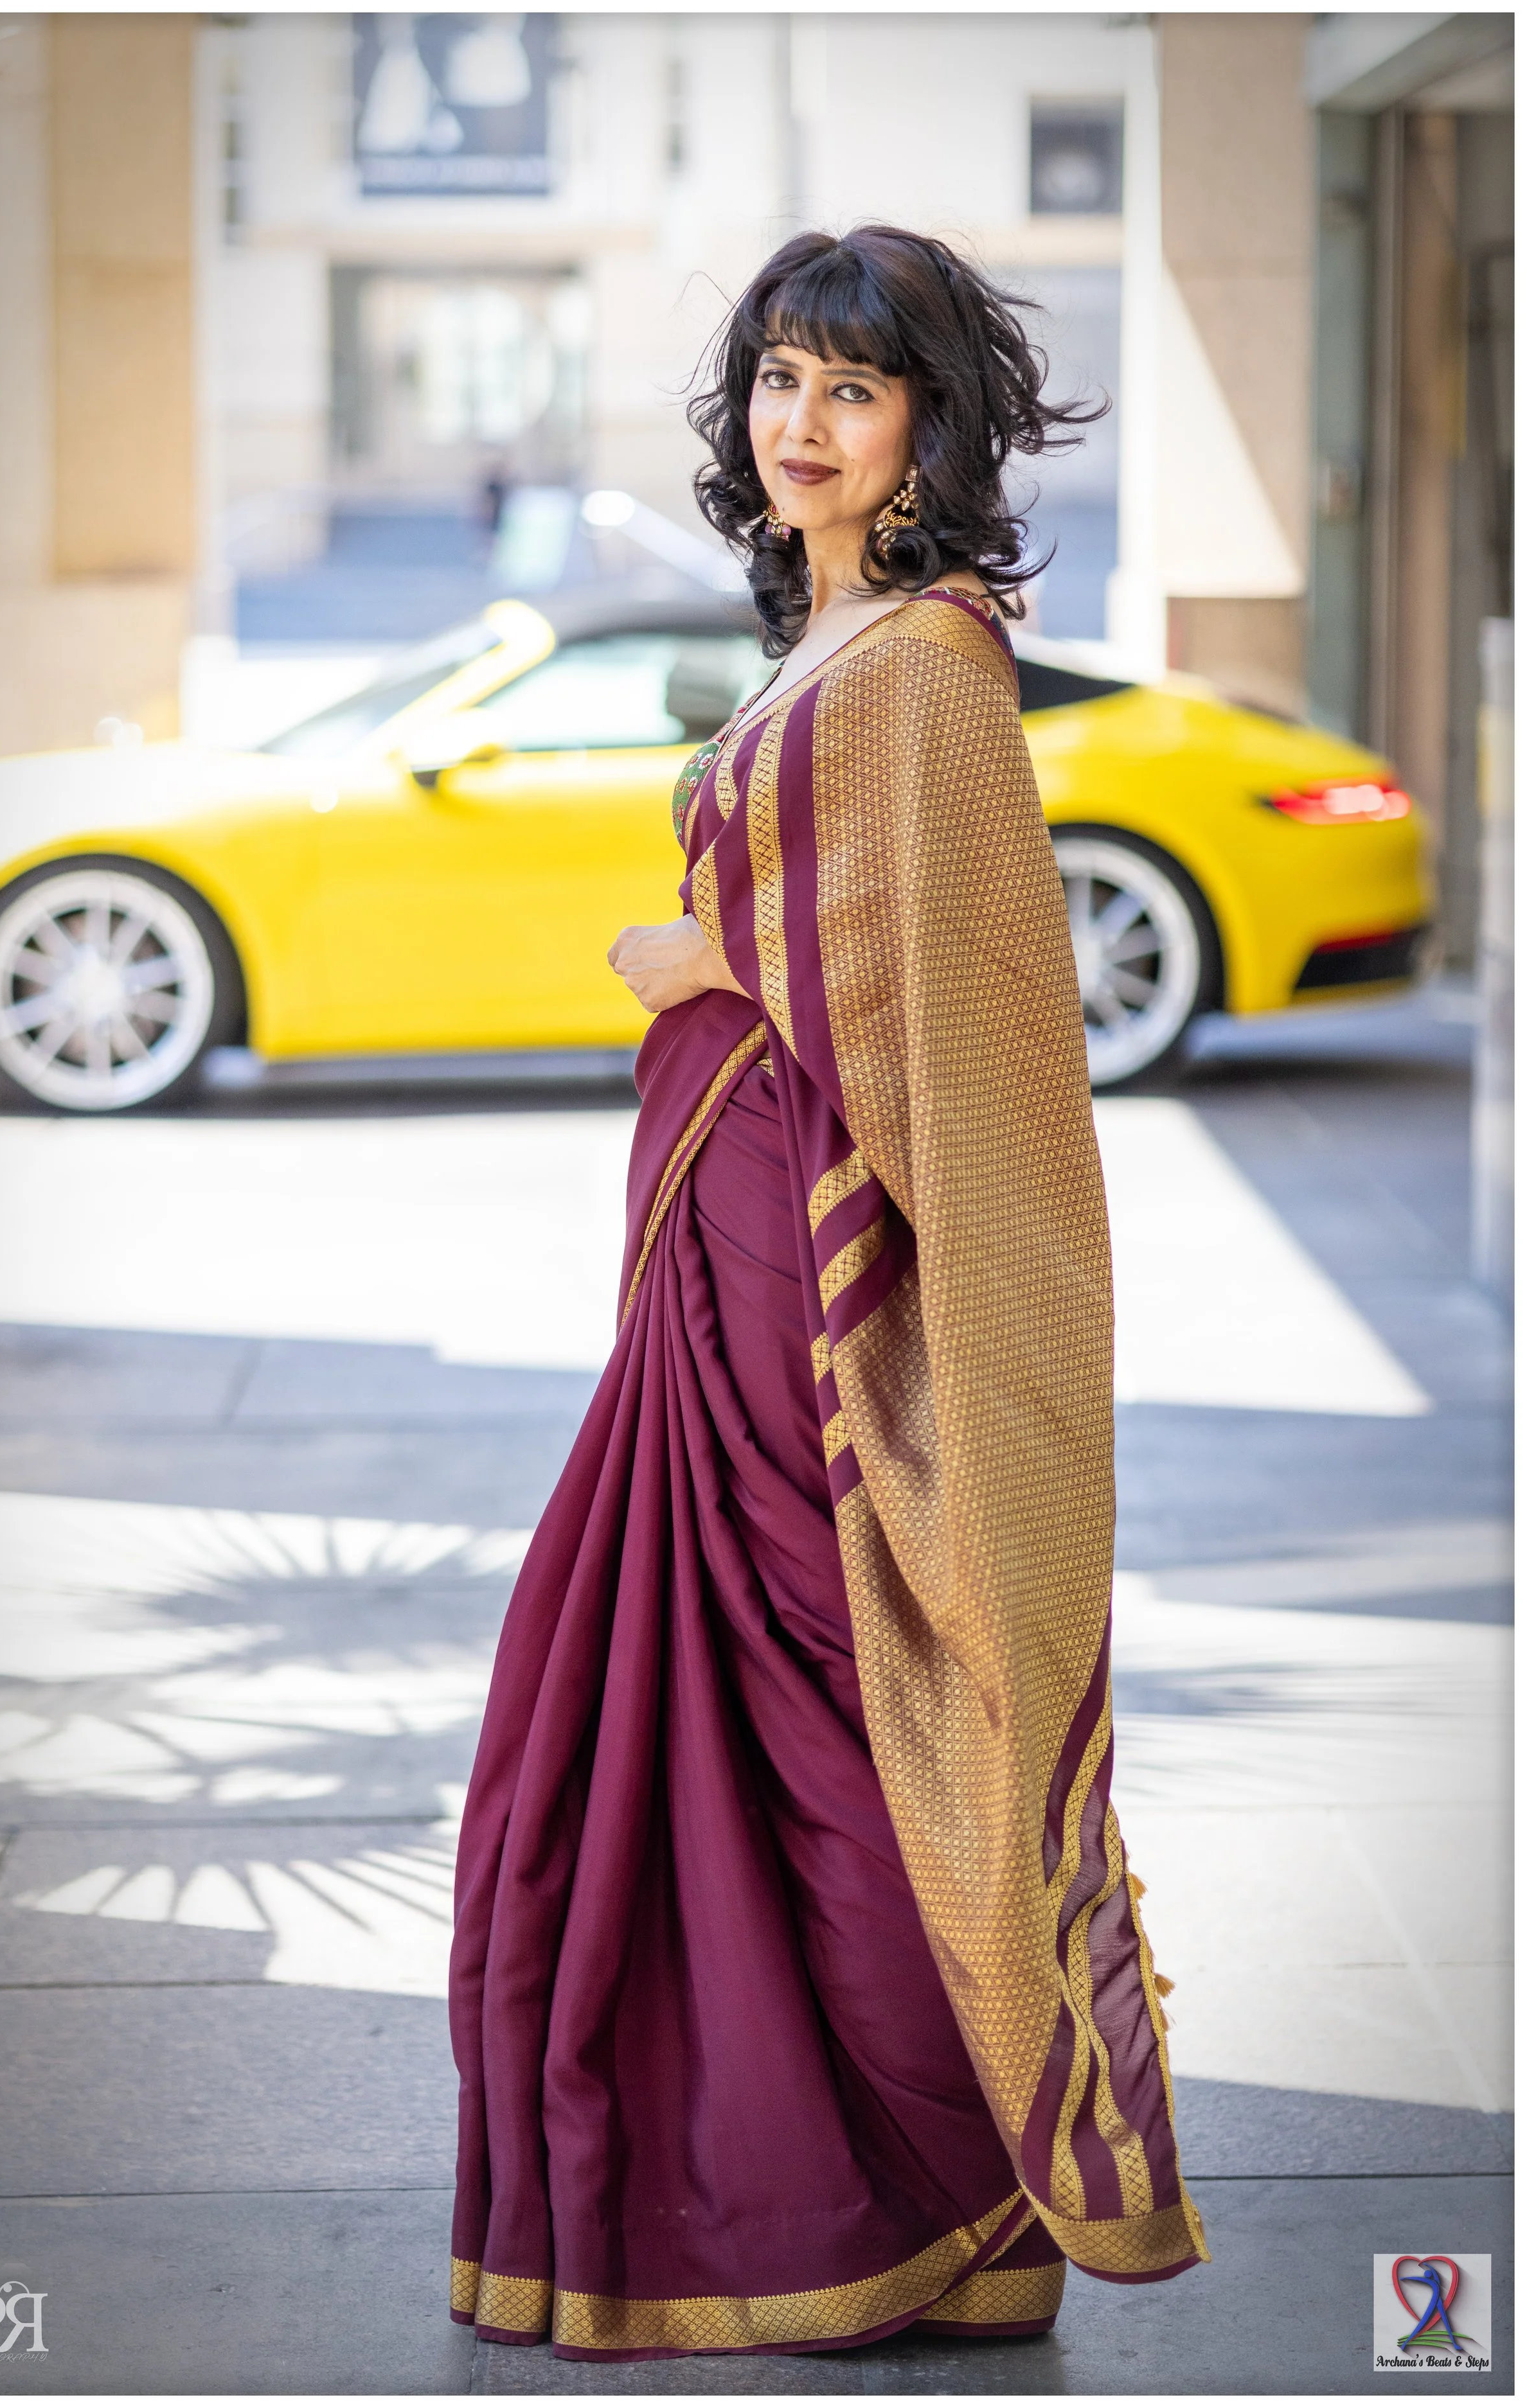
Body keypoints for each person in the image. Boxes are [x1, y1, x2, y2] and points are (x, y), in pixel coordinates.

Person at [447, 224, 1207, 2367]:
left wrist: (705, 958)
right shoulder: (833, 633)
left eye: (852, 390)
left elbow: (964, 1010)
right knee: (652, 1712)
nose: (805, 423)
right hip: (717, 1238)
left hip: (817, 1275)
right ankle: (764, 2172)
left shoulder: (932, 665)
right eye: (780, 380)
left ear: (926, 426)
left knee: (831, 1711)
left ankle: (943, 2189)